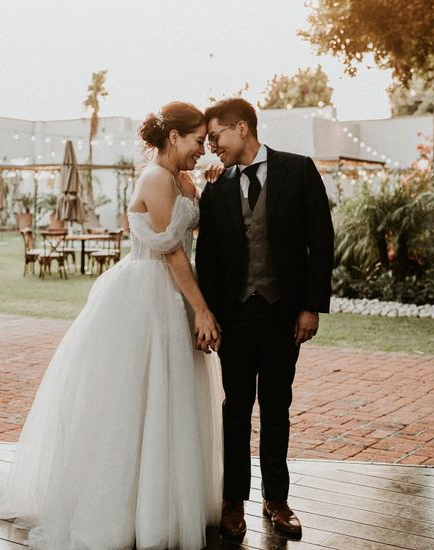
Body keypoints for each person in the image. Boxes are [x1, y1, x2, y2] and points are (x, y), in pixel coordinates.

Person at [0, 101, 223, 549]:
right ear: (173, 137)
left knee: (170, 397)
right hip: (148, 294)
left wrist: (204, 187)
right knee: (135, 400)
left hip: (174, 295)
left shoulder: (184, 179)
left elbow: (190, 234)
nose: (202, 149)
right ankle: (127, 510)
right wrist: (202, 309)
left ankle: (165, 499)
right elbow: (172, 251)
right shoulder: (155, 178)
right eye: (197, 141)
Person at [196, 98, 335, 540]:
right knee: (234, 409)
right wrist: (210, 317)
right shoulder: (216, 186)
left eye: (215, 136)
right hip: (235, 318)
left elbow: (321, 241)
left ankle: (277, 500)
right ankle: (233, 500)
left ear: (241, 128)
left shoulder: (298, 170)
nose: (211, 147)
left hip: (282, 315)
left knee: (277, 407)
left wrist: (311, 306)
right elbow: (209, 259)